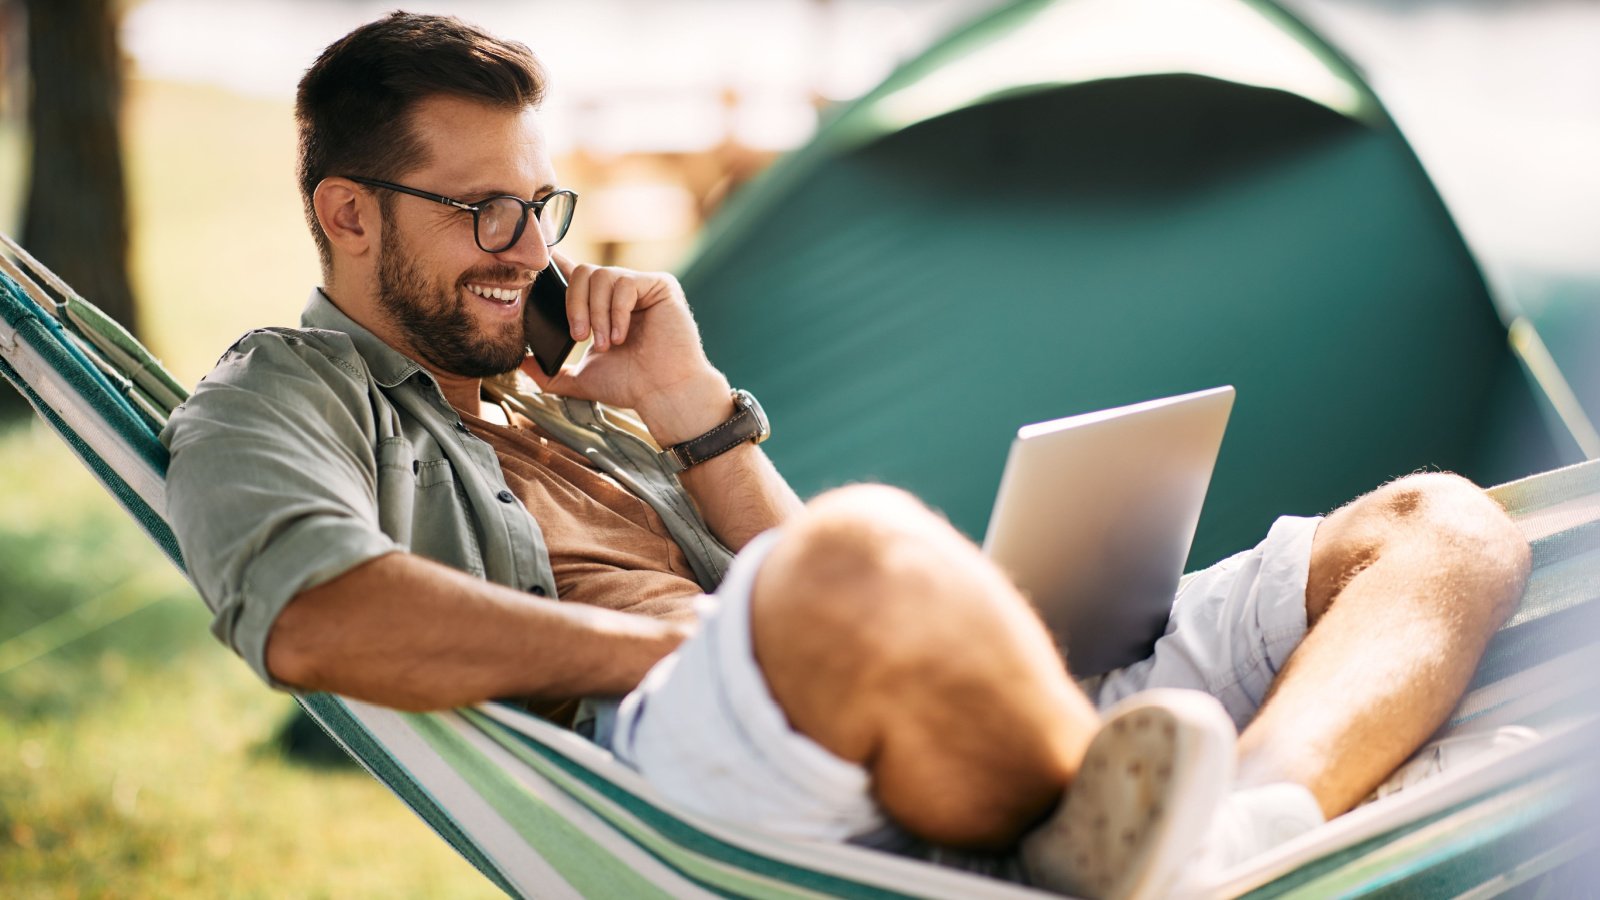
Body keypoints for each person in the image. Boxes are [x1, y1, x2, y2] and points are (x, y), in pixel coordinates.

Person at [159, 12, 1532, 899]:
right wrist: (680, 653)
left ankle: (1221, 834)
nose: (531, 251)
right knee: (862, 549)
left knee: (1443, 525)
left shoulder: (560, 384)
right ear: (347, 212)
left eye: (538, 204)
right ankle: (1133, 799)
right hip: (692, 755)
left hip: (882, 698)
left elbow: (801, 588)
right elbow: (317, 615)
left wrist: (690, 413)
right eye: (482, 214)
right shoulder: (276, 397)